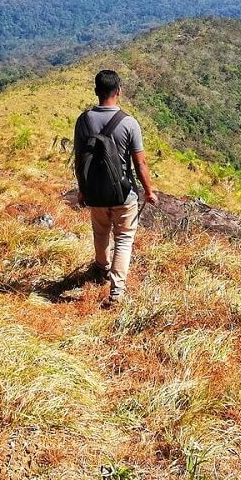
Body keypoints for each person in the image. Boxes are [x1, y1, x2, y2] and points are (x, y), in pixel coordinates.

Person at [73, 69, 157, 307]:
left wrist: (83, 189)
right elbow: (140, 163)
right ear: (118, 91)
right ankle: (117, 292)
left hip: (95, 193)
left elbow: (79, 160)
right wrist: (149, 191)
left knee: (100, 233)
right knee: (123, 239)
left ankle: (101, 268)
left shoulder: (84, 120)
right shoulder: (129, 123)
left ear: (96, 92)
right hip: (123, 194)